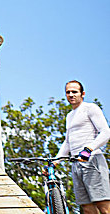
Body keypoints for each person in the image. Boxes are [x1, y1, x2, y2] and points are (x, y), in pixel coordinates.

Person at [55, 80, 110, 214]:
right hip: (76, 164)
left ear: (82, 93)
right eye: (68, 92)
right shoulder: (69, 116)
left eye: (74, 92)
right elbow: (67, 142)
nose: (71, 94)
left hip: (92, 161)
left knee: (103, 205)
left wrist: (88, 149)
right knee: (87, 208)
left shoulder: (90, 108)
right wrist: (56, 161)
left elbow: (106, 132)